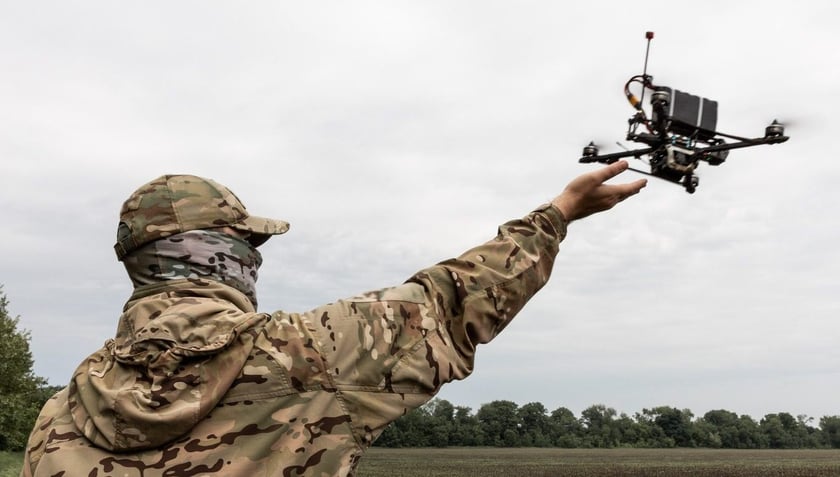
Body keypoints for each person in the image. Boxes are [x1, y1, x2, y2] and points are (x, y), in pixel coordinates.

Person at [21, 161, 645, 477]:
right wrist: (559, 212)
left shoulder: (63, 410)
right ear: (228, 257)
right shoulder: (309, 353)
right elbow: (457, 297)